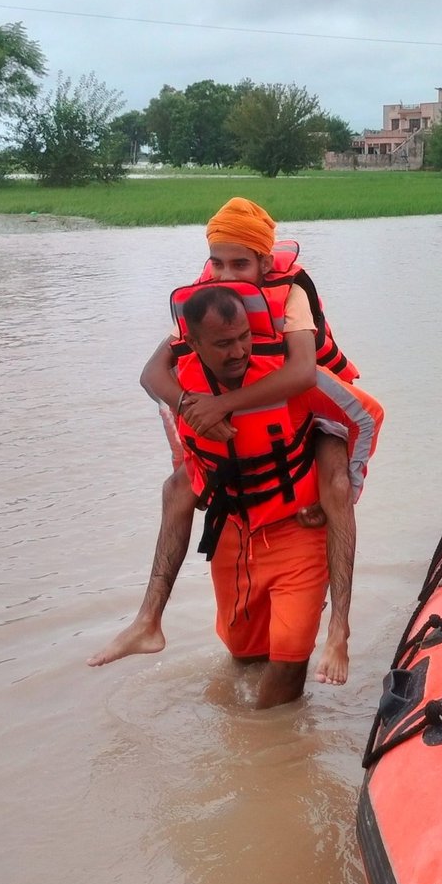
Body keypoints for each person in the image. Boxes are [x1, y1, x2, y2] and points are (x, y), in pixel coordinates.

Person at [89, 284, 384, 707]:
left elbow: (368, 415)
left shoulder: (287, 375)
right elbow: (178, 439)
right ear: (191, 343)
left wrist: (345, 489)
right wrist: (195, 447)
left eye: (244, 337)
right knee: (245, 659)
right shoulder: (180, 384)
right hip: (234, 535)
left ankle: (331, 640)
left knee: (286, 668)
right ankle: (150, 623)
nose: (239, 351)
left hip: (297, 530)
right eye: (224, 343)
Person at [136, 197, 360, 638]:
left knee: (334, 487)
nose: (226, 276)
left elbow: (300, 373)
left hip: (316, 409)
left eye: (240, 264)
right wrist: (189, 406)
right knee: (177, 486)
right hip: (233, 421)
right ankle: (147, 621)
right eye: (217, 263)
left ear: (263, 261)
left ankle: (339, 627)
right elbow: (151, 374)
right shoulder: (208, 298)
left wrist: (222, 406)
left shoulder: (291, 292)